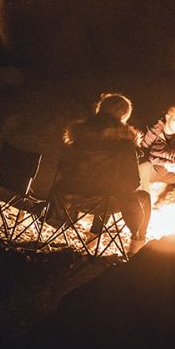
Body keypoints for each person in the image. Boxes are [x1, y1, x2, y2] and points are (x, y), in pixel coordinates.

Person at [56, 92, 150, 255]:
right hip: (101, 201)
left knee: (107, 185)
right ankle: (137, 246)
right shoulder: (124, 141)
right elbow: (133, 181)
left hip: (69, 197)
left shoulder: (77, 135)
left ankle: (93, 236)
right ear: (123, 115)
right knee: (139, 196)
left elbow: (62, 168)